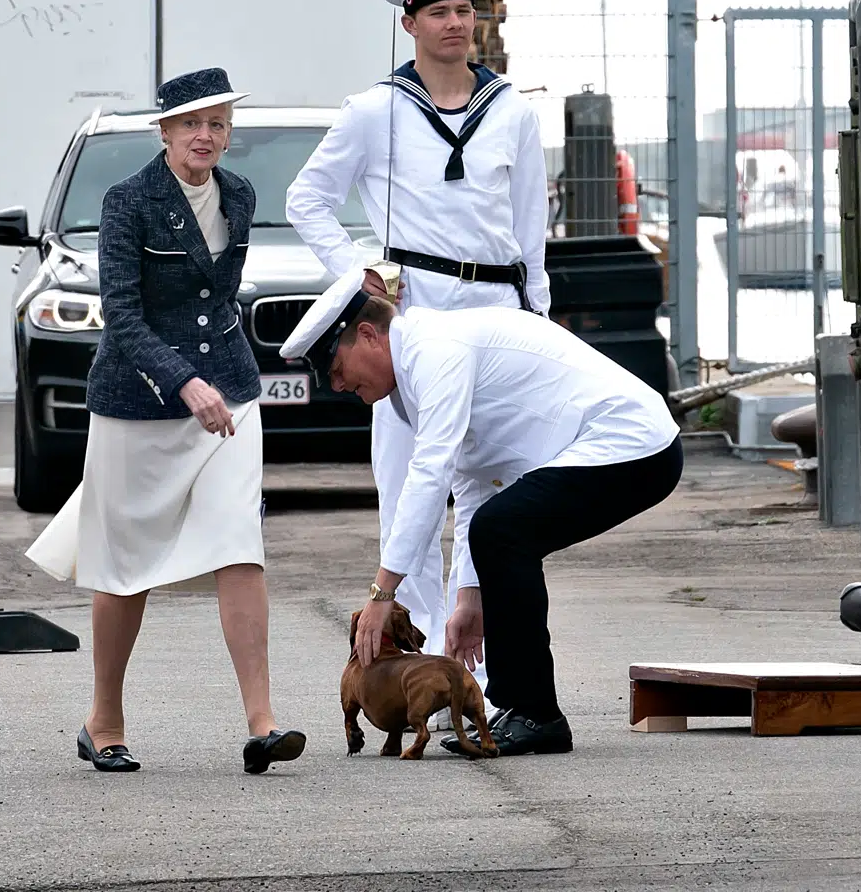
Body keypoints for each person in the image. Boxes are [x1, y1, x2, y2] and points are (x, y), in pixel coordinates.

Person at [285, 0, 551, 728]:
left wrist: (537, 316)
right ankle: (424, 677)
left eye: (465, 10)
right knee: (412, 490)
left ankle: (488, 680)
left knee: (493, 496)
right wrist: (360, 280)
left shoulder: (513, 111)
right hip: (412, 313)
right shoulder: (375, 110)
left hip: (496, 304)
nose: (456, 23)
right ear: (410, 24)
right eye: (438, 13)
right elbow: (308, 198)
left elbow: (531, 229)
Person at [279, 270, 683, 756]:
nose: (338, 384)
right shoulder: (416, 372)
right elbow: (477, 481)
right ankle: (523, 708)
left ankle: (536, 713)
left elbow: (430, 473)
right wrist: (471, 596)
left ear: (368, 335)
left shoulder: (435, 351)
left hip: (635, 445)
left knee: (505, 529)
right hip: (615, 446)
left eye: (336, 366)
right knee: (503, 527)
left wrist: (383, 591)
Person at [66, 67, 305, 775]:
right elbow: (123, 315)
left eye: (219, 123)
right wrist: (182, 381)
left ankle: (262, 723)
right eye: (192, 123)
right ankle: (103, 718)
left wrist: (215, 382)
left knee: (240, 542)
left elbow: (217, 300)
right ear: (165, 131)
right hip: (138, 401)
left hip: (229, 394)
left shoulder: (240, 193)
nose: (206, 135)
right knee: (124, 562)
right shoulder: (127, 201)